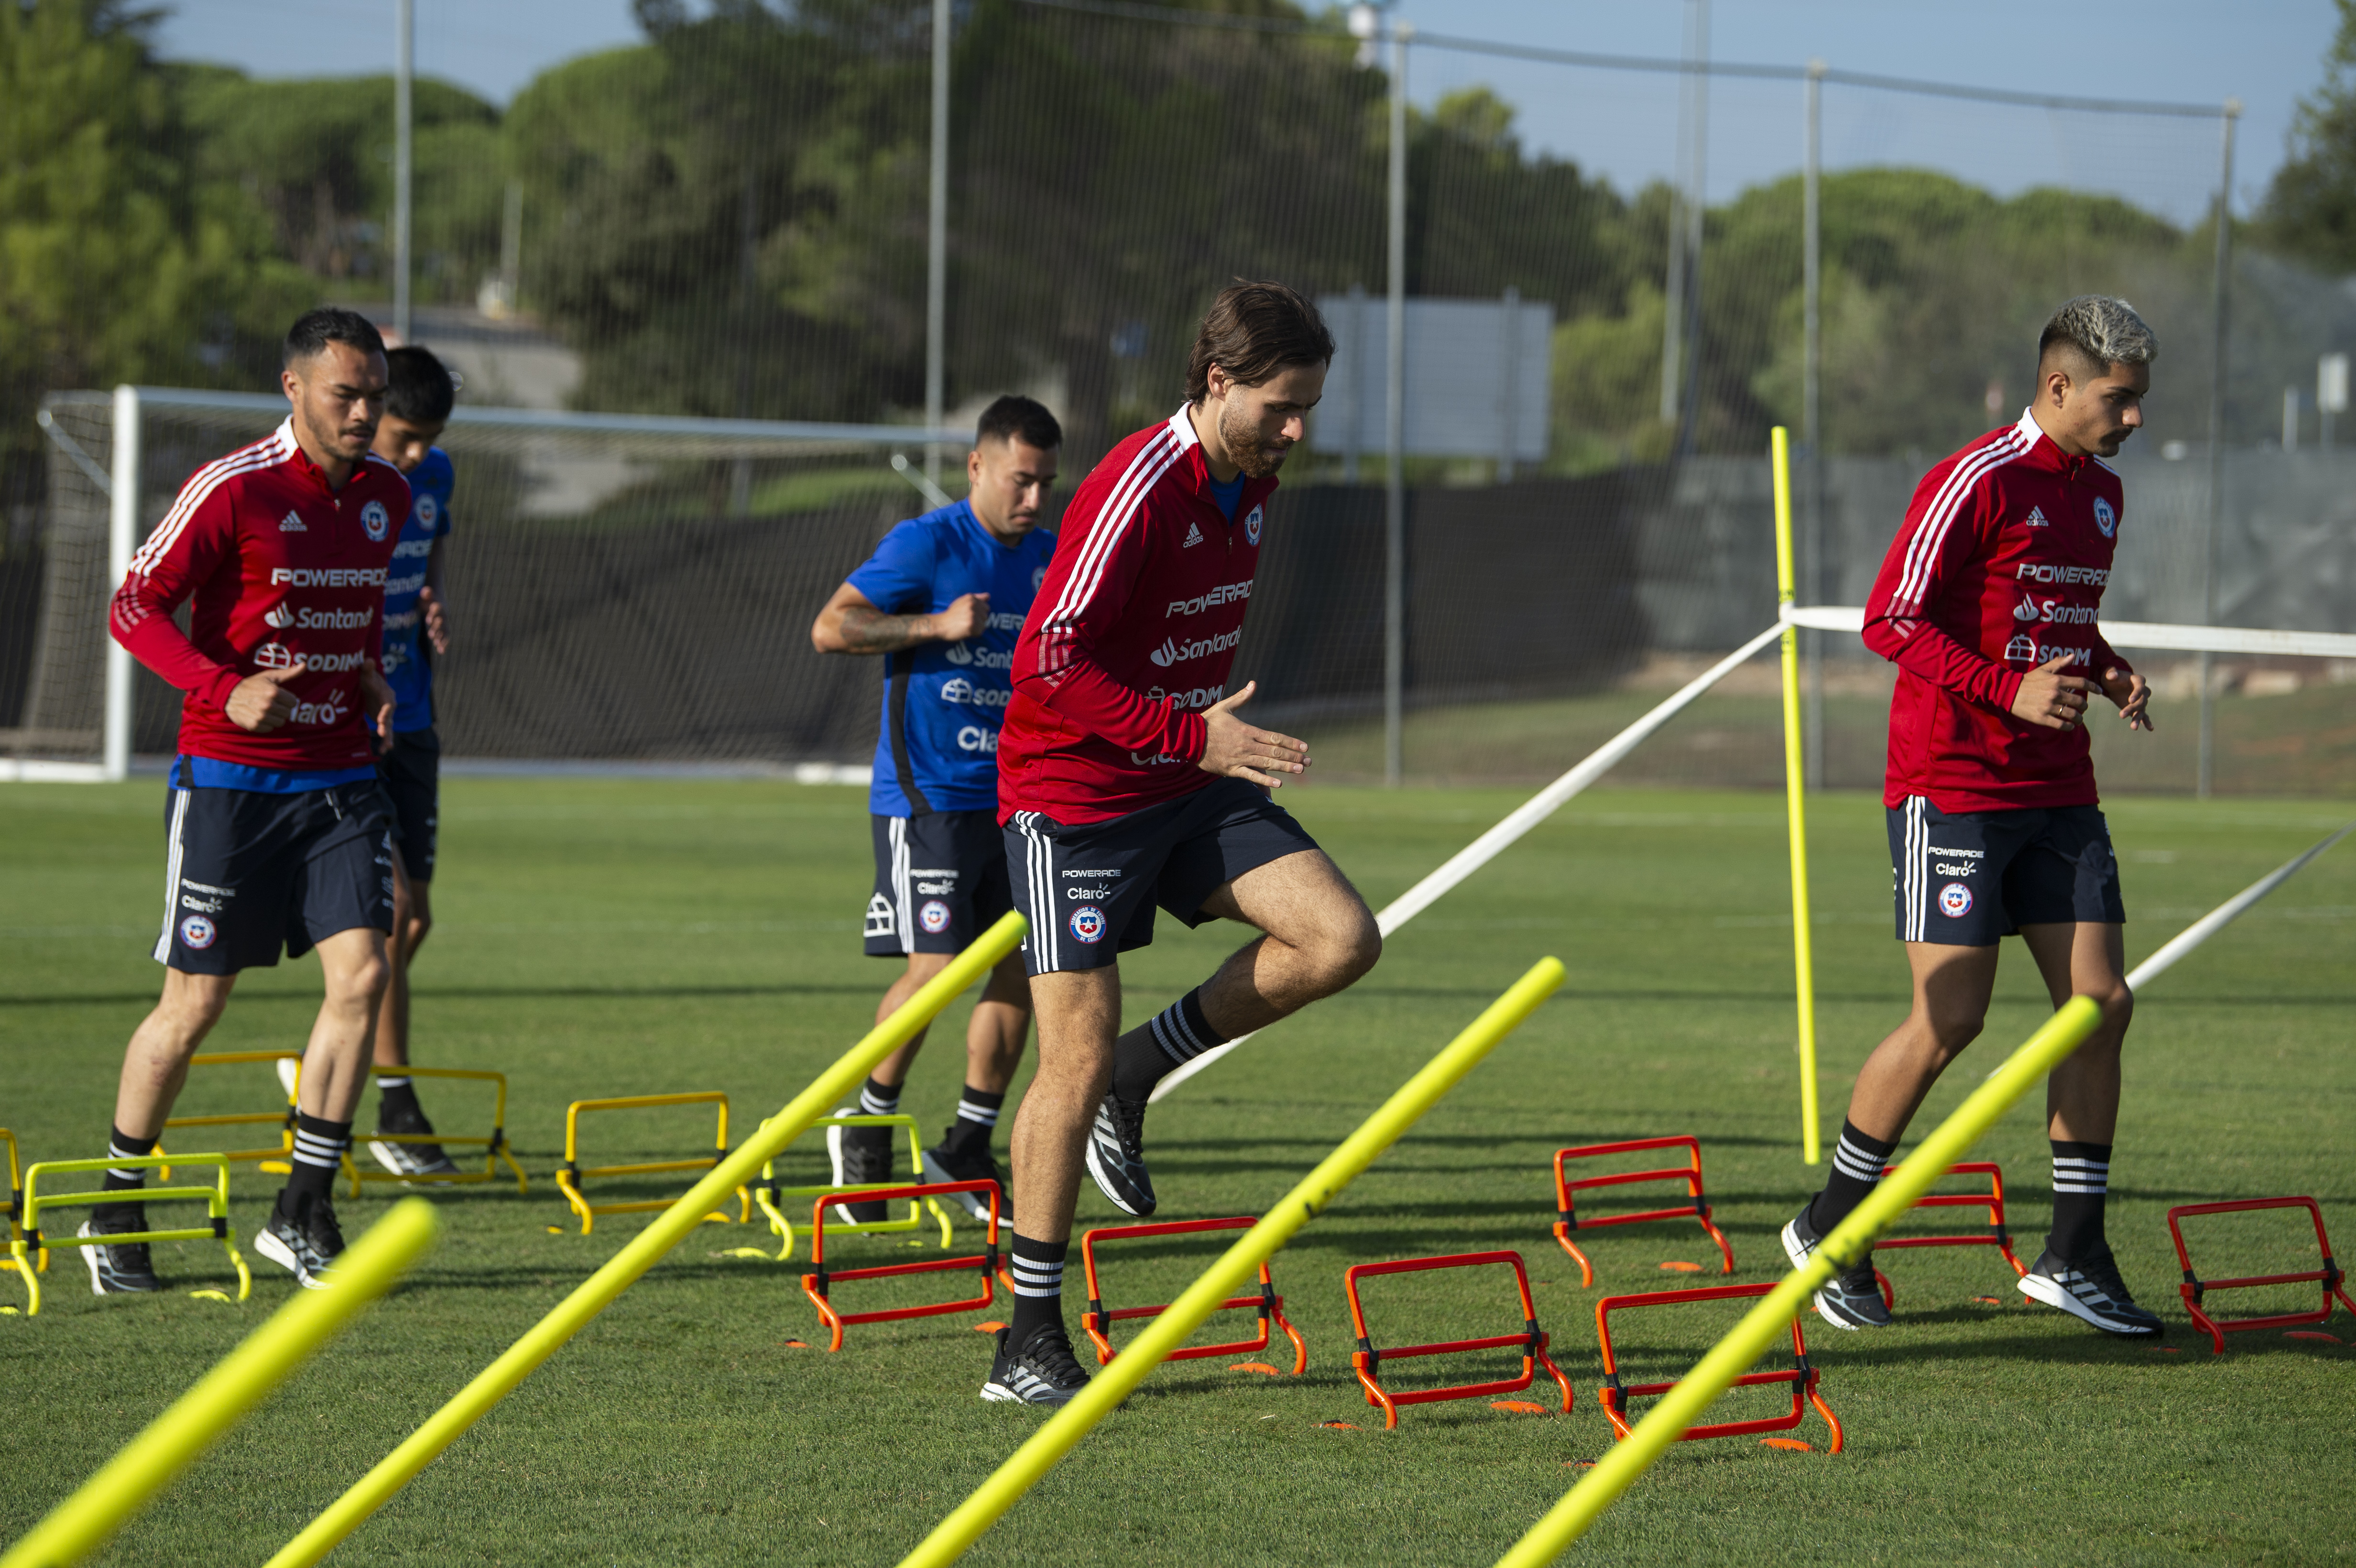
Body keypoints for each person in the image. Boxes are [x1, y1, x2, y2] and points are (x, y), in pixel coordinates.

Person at [979, 282, 1382, 1404]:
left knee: (1340, 937)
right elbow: (1048, 661)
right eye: (1281, 406)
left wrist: (1193, 740)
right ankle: (1027, 1336)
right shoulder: (1136, 485)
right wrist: (1185, 732)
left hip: (1185, 774)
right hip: (1073, 799)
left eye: (1308, 406)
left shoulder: (1252, 479)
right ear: (1216, 384)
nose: (1297, 428)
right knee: (1066, 1054)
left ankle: (1140, 1074)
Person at [1781, 295, 2162, 1337]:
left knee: (2099, 1004)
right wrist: (2006, 691)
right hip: (1951, 784)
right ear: (2058, 386)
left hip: (2060, 787)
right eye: (2117, 401)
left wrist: (2107, 667)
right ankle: (1831, 1223)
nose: (2132, 421)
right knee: (1950, 1017)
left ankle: (2073, 1251)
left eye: (2137, 403)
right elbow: (1887, 617)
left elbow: (2054, 619)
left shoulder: (2101, 497)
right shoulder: (1976, 477)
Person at [93, 307, 412, 1292]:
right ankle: (115, 1206)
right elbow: (133, 604)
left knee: (364, 971)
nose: (362, 413)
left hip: (342, 776)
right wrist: (219, 684)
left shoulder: (386, 497)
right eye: (344, 394)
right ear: (294, 387)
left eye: (373, 397)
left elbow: (343, 608)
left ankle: (302, 1206)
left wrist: (366, 675)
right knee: (195, 1004)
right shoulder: (232, 488)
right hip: (232, 782)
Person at [809, 396, 1062, 1222]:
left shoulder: (1055, 559)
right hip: (932, 797)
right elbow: (832, 627)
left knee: (1025, 970)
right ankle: (868, 1120)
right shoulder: (928, 542)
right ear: (978, 466)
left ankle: (965, 1147)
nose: (1034, 501)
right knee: (938, 968)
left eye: (1046, 485)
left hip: (1020, 798)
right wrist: (935, 625)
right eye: (1021, 481)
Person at [360, 344, 461, 1178]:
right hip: (354, 719)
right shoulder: (344, 478)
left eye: (430, 438)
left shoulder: (434, 478)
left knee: (414, 919)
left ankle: (335, 1057)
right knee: (391, 913)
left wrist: (429, 603)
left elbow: (427, 566)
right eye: (405, 435)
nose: (416, 454)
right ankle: (395, 1104)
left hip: (414, 707)